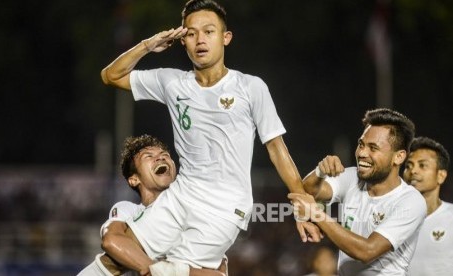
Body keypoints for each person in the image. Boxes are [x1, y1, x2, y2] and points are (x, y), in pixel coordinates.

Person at [101, 0, 320, 274]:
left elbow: (277, 149)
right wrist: (148, 45)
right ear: (182, 41)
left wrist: (301, 205)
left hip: (225, 207)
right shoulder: (172, 82)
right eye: (191, 33)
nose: (200, 40)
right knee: (118, 257)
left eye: (209, 31)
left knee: (170, 270)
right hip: (180, 197)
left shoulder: (250, 87)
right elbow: (111, 75)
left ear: (226, 38)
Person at [289, 108, 427, 275]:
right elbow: (308, 191)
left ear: (398, 157)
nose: (362, 153)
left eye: (373, 148)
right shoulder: (352, 178)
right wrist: (320, 172)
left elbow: (367, 252)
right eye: (361, 144)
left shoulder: (411, 201)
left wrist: (316, 213)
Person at [77, 135, 227, 276]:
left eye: (165, 154)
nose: (160, 157)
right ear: (134, 179)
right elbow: (111, 241)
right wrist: (163, 270)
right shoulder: (129, 210)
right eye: (149, 156)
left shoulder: (197, 218)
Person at [403, 136, 453, 276]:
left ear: (441, 176)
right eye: (408, 166)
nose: (413, 171)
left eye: (422, 165)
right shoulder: (392, 217)